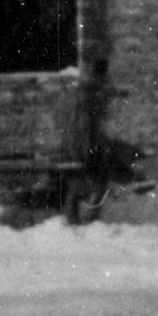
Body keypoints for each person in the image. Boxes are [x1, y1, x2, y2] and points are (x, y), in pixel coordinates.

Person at [61, 74, 112, 226]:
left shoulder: (83, 110)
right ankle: (83, 219)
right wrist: (89, 153)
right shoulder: (84, 111)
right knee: (87, 185)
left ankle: (81, 218)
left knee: (85, 185)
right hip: (82, 154)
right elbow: (82, 136)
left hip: (82, 153)